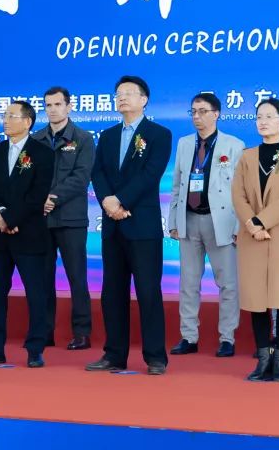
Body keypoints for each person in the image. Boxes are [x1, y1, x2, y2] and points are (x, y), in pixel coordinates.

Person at [87, 75, 172, 376]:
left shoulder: (159, 134)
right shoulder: (108, 136)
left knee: (148, 292)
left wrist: (121, 201)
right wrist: (108, 203)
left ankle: (155, 357)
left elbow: (151, 174)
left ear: (144, 100)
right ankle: (114, 354)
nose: (121, 98)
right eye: (118, 93)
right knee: (112, 293)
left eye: (128, 93)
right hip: (112, 225)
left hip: (143, 225)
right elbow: (97, 172)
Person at [0, 101, 55, 368]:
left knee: (35, 292)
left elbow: (38, 194)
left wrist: (11, 218)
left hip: (29, 232)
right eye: (4, 115)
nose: (5, 120)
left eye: (11, 116)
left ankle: (35, 348)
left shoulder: (43, 153)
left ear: (27, 122)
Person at [232, 99, 279, 382]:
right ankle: (263, 359)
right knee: (256, 299)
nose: (263, 122)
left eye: (270, 116)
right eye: (259, 117)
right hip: (252, 236)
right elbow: (238, 195)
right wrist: (252, 225)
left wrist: (262, 221)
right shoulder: (247, 156)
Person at [167, 92, 243, 358]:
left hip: (220, 221)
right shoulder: (184, 144)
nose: (197, 117)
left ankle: (227, 338)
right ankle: (189, 336)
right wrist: (173, 220)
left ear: (216, 114)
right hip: (189, 219)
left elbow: (241, 191)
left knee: (228, 283)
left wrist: (238, 226)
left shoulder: (234, 145)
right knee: (188, 283)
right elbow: (177, 185)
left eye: (202, 111)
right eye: (193, 112)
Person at [30, 86, 94, 351]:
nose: (53, 109)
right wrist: (39, 199)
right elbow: (29, 176)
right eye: (48, 105)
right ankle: (44, 332)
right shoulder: (36, 139)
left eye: (58, 104)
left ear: (69, 106)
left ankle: (82, 332)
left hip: (71, 219)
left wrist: (52, 198)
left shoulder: (83, 138)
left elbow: (81, 178)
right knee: (43, 278)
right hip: (41, 220)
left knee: (77, 277)